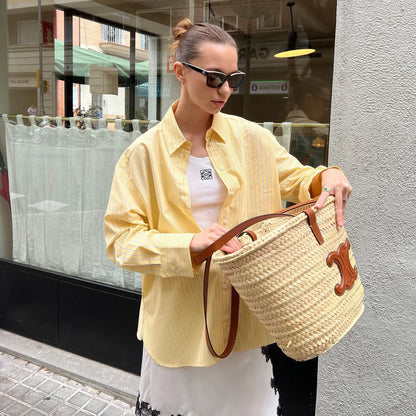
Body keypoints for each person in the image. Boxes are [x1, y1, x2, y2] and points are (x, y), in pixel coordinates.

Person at [104, 18, 352, 416]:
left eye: (233, 79)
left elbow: (299, 178)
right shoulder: (143, 155)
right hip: (179, 326)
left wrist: (329, 174)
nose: (225, 91)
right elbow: (121, 241)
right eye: (214, 78)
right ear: (180, 71)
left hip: (246, 319)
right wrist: (189, 246)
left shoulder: (251, 138)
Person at [286, 77, 331, 168]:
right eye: (325, 103)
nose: (327, 109)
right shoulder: (317, 130)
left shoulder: (279, 128)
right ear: (309, 99)